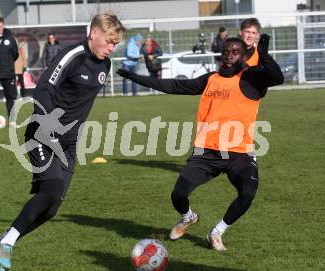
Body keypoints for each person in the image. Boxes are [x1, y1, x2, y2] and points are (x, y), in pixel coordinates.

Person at [0, 12, 125, 271]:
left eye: (114, 44)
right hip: (42, 132)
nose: (111, 47)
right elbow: (43, 90)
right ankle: (6, 245)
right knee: (51, 189)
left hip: (70, 145)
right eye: (108, 41)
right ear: (94, 33)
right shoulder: (71, 56)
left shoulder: (105, 65)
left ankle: (3, 240)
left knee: (51, 209)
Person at [118, 35, 283, 251]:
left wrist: (265, 56)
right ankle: (188, 217)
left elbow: (276, 77)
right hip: (207, 152)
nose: (229, 56)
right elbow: (174, 85)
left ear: (243, 56)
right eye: (226, 51)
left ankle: (216, 232)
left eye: (235, 52)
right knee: (178, 195)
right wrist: (134, 76)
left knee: (248, 193)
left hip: (239, 153)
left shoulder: (251, 78)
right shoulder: (210, 79)